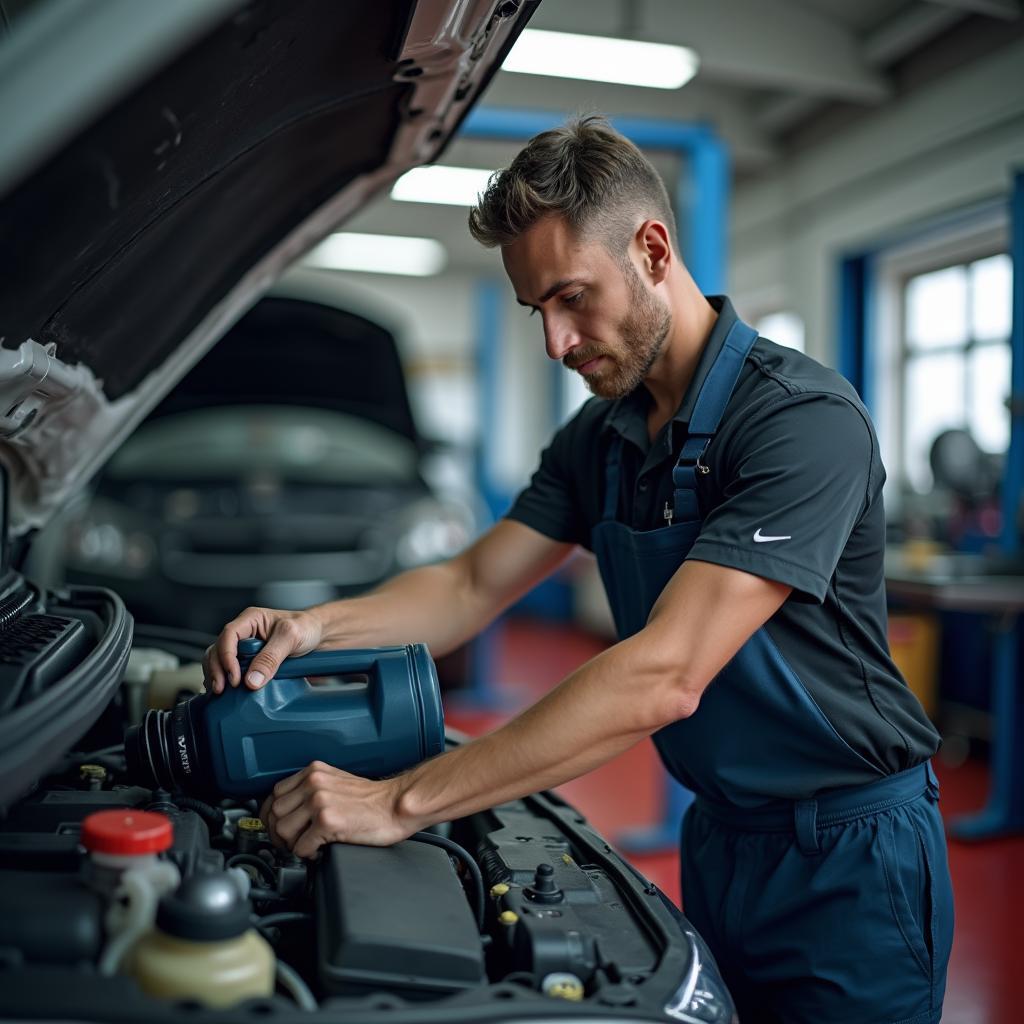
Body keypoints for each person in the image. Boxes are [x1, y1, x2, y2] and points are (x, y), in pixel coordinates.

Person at [203, 116, 953, 1023]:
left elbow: (666, 676)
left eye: (571, 299)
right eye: (537, 312)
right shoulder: (603, 437)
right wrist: (318, 626)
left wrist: (399, 801)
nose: (556, 343)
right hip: (720, 835)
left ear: (651, 248)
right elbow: (469, 585)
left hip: (849, 855)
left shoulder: (800, 422)